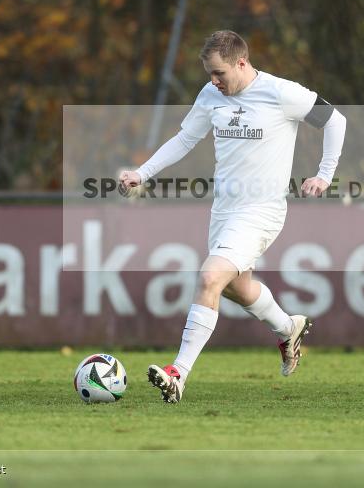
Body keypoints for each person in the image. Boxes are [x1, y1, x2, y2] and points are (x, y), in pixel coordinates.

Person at [119, 30, 346, 403]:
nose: (213, 81)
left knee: (209, 277)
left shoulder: (280, 92)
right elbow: (184, 139)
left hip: (262, 210)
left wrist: (324, 174)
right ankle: (289, 327)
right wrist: (142, 173)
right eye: (209, 73)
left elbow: (335, 120)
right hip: (224, 211)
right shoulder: (211, 96)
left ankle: (178, 373)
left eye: (219, 73)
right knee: (236, 287)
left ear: (242, 63)